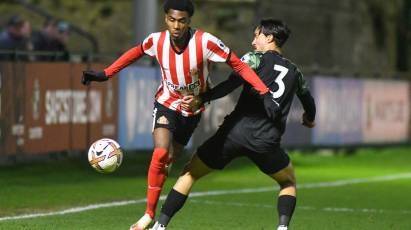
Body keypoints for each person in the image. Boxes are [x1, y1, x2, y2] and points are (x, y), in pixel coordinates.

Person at [81, 0, 272, 229]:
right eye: (172, 20)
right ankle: (148, 214)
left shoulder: (206, 42)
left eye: (182, 21)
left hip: (192, 110)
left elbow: (238, 65)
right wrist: (105, 74)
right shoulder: (156, 41)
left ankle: (160, 179)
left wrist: (263, 89)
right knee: (160, 153)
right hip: (166, 103)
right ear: (166, 19)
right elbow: (134, 53)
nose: (176, 26)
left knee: (170, 158)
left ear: (189, 21)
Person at [151, 19, 316, 230]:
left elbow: (230, 84)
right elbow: (309, 101)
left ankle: (160, 225)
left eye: (257, 35)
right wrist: (309, 119)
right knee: (288, 182)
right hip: (266, 140)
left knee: (190, 173)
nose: (253, 41)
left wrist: (203, 98)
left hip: (233, 134)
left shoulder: (254, 59)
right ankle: (282, 227)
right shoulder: (295, 71)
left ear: (269, 38)